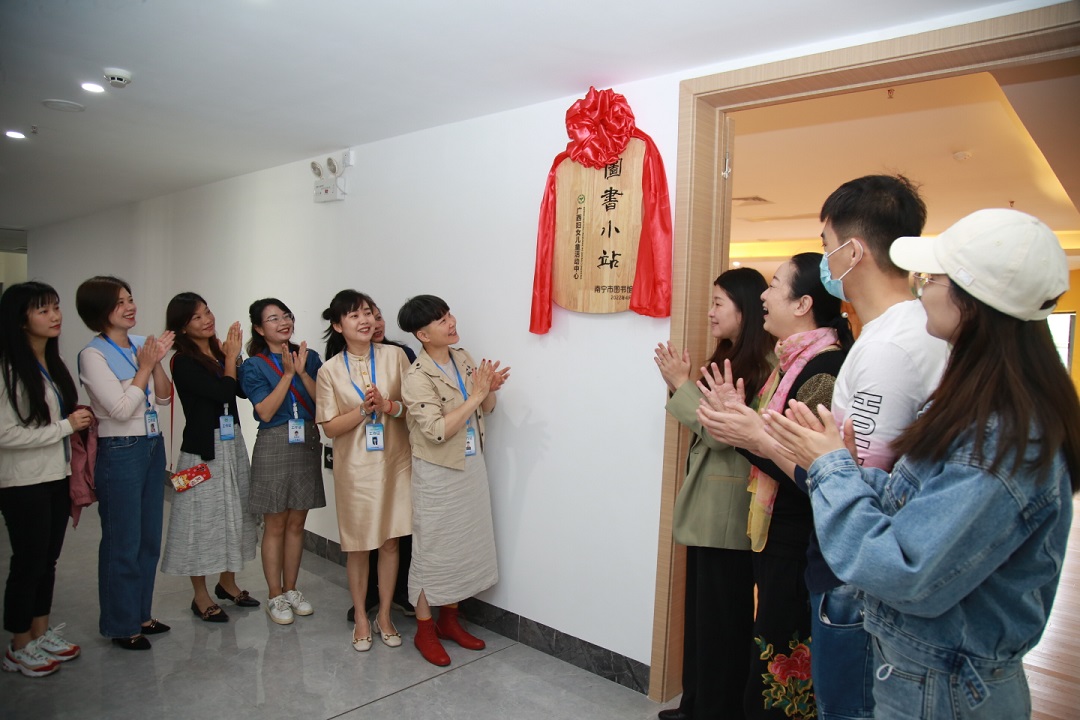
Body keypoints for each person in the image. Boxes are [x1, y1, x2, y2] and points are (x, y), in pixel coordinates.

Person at [763, 208, 1078, 720]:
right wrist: (837, 463)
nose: (921, 289)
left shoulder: (999, 440)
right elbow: (913, 506)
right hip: (925, 675)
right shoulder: (975, 405)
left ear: (972, 301)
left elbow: (902, 568)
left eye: (933, 278)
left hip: (946, 688)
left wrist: (831, 468)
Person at [811, 175, 949, 719]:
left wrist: (782, 445)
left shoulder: (891, 347)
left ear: (852, 251)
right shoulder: (896, 331)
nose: (825, 260)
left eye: (826, 245)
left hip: (860, 583)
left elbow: (864, 481)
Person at [696, 254, 853, 719]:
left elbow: (811, 470)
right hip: (779, 536)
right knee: (769, 656)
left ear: (803, 304)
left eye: (776, 284)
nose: (763, 295)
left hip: (800, 538)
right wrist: (738, 422)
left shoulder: (823, 369)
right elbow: (771, 448)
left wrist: (747, 431)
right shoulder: (794, 361)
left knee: (782, 672)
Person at [653, 268, 774, 720]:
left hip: (729, 510)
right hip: (708, 505)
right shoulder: (729, 357)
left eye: (719, 302)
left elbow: (723, 434)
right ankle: (696, 703)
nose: (710, 312)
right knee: (703, 619)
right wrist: (683, 385)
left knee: (723, 622)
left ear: (746, 309)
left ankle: (715, 709)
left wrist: (681, 384)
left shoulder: (764, 365)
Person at [397, 295, 509, 667]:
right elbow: (437, 431)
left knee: (463, 545)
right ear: (422, 334)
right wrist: (476, 394)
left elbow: (486, 409)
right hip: (437, 473)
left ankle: (449, 621)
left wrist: (489, 389)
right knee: (432, 551)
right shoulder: (416, 377)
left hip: (471, 466)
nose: (451, 322)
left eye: (449, 315)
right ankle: (425, 629)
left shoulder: (462, 357)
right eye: (442, 320)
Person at [76, 275, 174, 650]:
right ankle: (121, 623)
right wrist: (145, 367)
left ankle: (141, 614)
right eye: (120, 302)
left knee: (149, 539)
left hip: (151, 443)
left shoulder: (140, 344)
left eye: (130, 299)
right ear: (100, 311)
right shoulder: (93, 354)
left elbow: (163, 397)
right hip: (120, 448)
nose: (130, 307)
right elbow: (119, 410)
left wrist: (156, 363)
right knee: (123, 541)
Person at [0, 282, 92, 677]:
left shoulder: (51, 362)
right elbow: (5, 433)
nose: (55, 316)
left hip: (56, 475)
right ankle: (18, 645)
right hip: (22, 481)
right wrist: (65, 427)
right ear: (21, 320)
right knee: (28, 562)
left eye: (55, 307)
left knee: (47, 560)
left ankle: (39, 633)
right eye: (43, 310)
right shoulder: (8, 369)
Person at [316, 290, 412, 652]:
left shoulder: (395, 356)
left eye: (368, 313)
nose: (365, 320)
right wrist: (362, 410)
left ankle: (384, 615)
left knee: (390, 541)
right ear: (338, 325)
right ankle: (360, 616)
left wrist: (388, 406)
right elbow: (329, 427)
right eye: (355, 315)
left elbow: (413, 407)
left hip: (396, 462)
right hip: (355, 469)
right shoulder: (329, 370)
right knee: (358, 546)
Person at [160, 293, 259, 623]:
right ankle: (200, 596)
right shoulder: (182, 362)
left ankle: (227, 583)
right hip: (200, 452)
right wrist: (230, 358)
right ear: (182, 327)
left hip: (232, 444)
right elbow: (222, 392)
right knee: (199, 521)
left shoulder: (219, 352)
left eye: (207, 312)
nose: (207, 320)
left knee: (235, 512)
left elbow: (241, 390)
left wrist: (235, 357)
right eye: (197, 317)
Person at [239, 298, 325, 624]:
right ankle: (275, 594)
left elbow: (323, 402)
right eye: (273, 319)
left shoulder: (309, 357)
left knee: (297, 523)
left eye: (286, 316)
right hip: (274, 442)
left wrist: (301, 371)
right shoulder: (253, 366)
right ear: (260, 329)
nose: (283, 322)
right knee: (275, 523)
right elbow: (264, 411)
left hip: (306, 439)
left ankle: (292, 589)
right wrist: (288, 375)